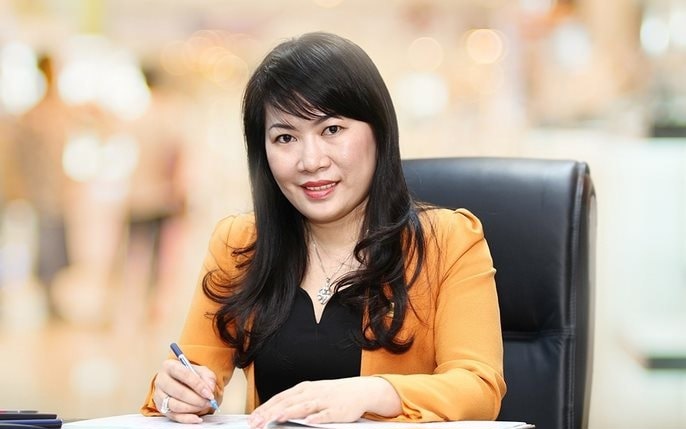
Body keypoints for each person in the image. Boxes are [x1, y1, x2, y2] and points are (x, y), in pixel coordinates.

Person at [141, 31, 506, 426]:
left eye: (332, 129)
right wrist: (174, 394)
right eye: (285, 137)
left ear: (379, 130)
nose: (311, 161)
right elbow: (193, 377)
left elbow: (478, 387)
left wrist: (369, 393)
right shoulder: (240, 243)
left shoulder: (448, 240)